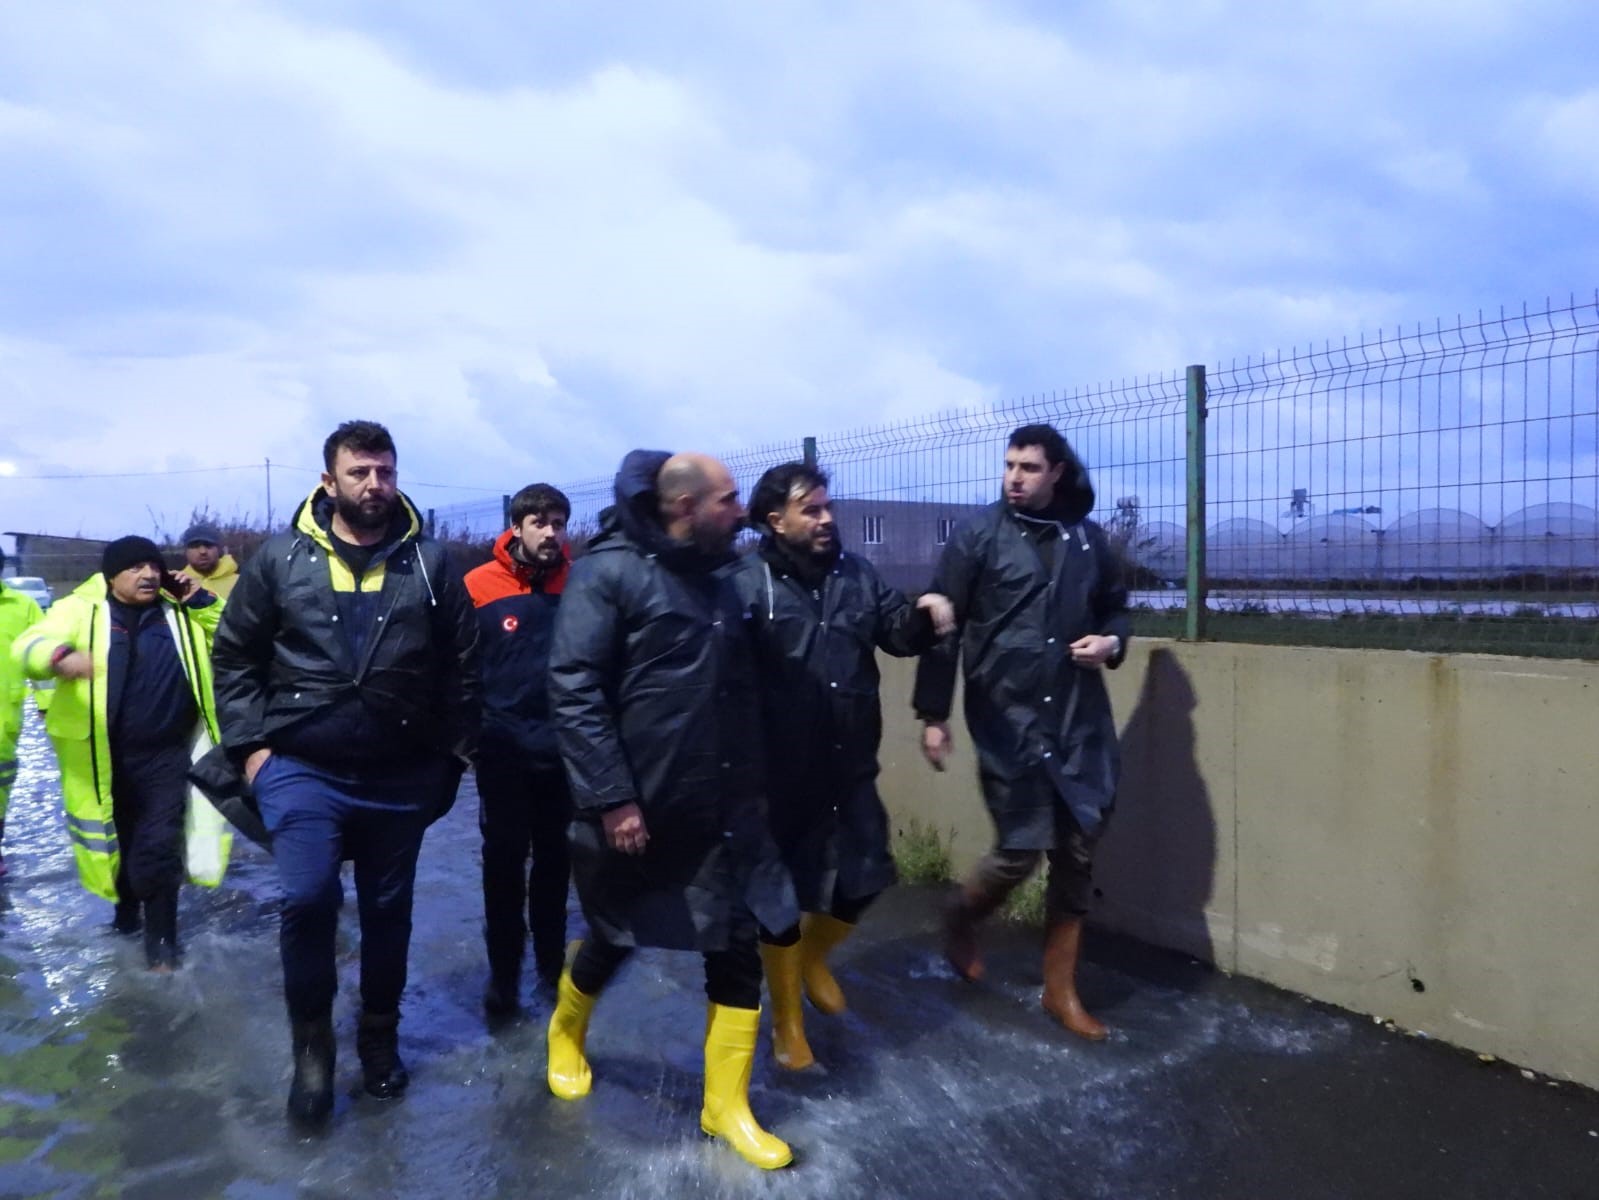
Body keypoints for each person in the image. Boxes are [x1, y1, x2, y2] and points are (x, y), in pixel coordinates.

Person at [211, 419, 480, 1128]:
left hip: (401, 771)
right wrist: (250, 748)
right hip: (301, 765)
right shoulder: (279, 559)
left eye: (385, 472)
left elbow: (463, 666)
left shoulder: (431, 563)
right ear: (328, 481)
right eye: (359, 473)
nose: (375, 485)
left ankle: (379, 1039)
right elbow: (235, 657)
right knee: (306, 898)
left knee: (389, 914)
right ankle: (312, 1051)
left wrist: (451, 754)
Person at [546, 450, 799, 1171]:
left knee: (735, 941)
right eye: (727, 500)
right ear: (684, 508)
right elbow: (574, 687)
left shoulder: (724, 574)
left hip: (724, 801)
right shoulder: (610, 571)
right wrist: (612, 797)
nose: (740, 510)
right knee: (614, 934)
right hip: (642, 805)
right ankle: (566, 1031)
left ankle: (725, 1105)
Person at [729, 462, 954, 1069]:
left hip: (848, 764)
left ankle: (813, 960)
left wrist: (925, 616)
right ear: (776, 521)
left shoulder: (857, 574)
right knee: (778, 903)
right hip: (775, 776)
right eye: (813, 510)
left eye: (828, 508)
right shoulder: (744, 584)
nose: (828, 519)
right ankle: (787, 1024)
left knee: (867, 874)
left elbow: (897, 634)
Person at [913, 424, 1131, 1040]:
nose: (1014, 476)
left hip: (1077, 718)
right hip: (1006, 715)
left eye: (1029, 467)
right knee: (1020, 847)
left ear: (1057, 472)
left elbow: (1116, 607)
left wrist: (1112, 641)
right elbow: (940, 620)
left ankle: (1060, 990)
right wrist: (934, 715)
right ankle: (961, 913)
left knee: (1078, 847)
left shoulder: (1088, 541)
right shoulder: (978, 536)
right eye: (1009, 465)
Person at [11, 537, 231, 968]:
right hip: (103, 759)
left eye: (153, 565)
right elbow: (29, 645)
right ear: (111, 576)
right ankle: (126, 920)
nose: (148, 574)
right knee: (122, 848)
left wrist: (200, 598)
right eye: (135, 568)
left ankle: (163, 952)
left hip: (169, 754)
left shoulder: (179, 611)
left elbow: (237, 633)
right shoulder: (80, 611)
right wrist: (59, 657)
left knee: (159, 849)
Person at [463, 483, 573, 1015]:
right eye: (540, 523)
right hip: (502, 753)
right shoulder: (477, 586)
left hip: (564, 755)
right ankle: (503, 976)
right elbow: (456, 666)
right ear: (517, 527)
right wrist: (466, 738)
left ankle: (552, 974)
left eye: (559, 522)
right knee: (503, 867)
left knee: (556, 867)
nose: (551, 533)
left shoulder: (582, 583)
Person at [0, 553, 47, 878]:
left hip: (5, 716)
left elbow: (40, 656)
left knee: (1, 783)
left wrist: (45, 703)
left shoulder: (22, 606)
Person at [177, 523, 240, 599]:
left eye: (208, 545)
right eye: (195, 546)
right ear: (185, 552)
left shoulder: (241, 583)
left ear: (219, 549)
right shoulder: (179, 586)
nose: (203, 551)